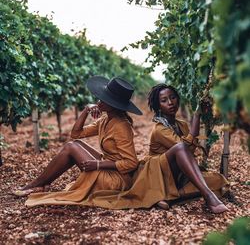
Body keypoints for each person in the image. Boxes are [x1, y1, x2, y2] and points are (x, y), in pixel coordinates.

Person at [13, 76, 142, 207]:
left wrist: (98, 165)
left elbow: (131, 163)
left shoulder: (121, 126)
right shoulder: (105, 119)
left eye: (104, 100)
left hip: (116, 180)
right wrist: (86, 111)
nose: (98, 102)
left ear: (114, 105)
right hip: (108, 168)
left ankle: (36, 184)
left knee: (71, 147)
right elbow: (76, 134)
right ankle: (43, 183)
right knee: (75, 144)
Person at [143, 83, 229, 213]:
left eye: (173, 97)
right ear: (158, 106)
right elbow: (183, 148)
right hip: (160, 175)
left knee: (219, 180)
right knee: (180, 147)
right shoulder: (159, 129)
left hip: (179, 176)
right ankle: (208, 195)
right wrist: (196, 115)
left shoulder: (181, 125)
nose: (170, 102)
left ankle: (171, 196)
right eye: (164, 100)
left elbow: (189, 151)